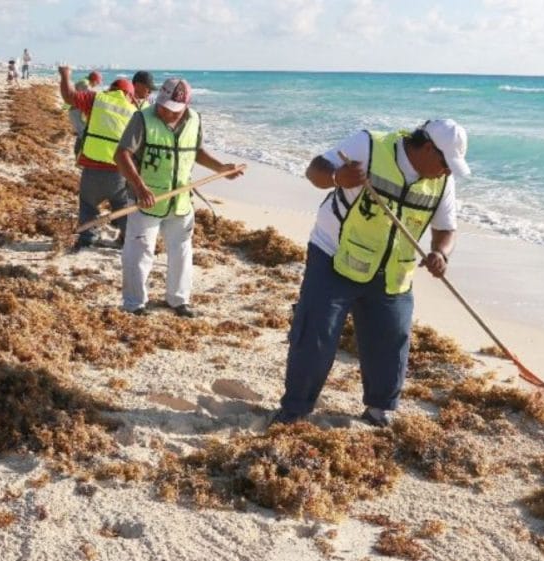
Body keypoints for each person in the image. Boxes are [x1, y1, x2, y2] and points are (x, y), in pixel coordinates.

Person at [270, 119, 470, 428]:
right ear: (429, 148)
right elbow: (314, 171)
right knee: (317, 334)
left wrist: (441, 253)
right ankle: (295, 410)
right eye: (446, 163)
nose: (447, 171)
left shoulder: (442, 181)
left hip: (393, 271)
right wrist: (338, 177)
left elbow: (446, 229)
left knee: (392, 338)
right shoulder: (369, 145)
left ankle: (379, 410)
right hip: (334, 256)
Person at [114, 77, 244, 317]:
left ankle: (178, 300)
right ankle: (134, 304)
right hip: (146, 201)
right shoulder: (142, 118)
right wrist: (140, 187)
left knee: (182, 251)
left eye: (173, 109)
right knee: (139, 250)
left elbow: (196, 151)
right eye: (163, 106)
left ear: (185, 106)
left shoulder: (194, 120)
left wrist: (221, 169)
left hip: (181, 201)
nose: (165, 112)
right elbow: (121, 155)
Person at [58, 66, 140, 251]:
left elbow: (68, 96)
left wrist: (65, 75)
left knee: (88, 206)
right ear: (129, 95)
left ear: (111, 89)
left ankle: (87, 239)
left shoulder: (97, 99)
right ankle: (126, 239)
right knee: (121, 207)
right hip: (119, 172)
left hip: (92, 170)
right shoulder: (135, 112)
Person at [65, 70, 101, 155]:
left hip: (74, 109)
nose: (97, 85)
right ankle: (78, 153)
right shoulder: (85, 84)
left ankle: (80, 152)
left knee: (82, 131)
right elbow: (89, 96)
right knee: (83, 132)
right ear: (94, 80)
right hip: (75, 110)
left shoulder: (84, 82)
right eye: (97, 83)